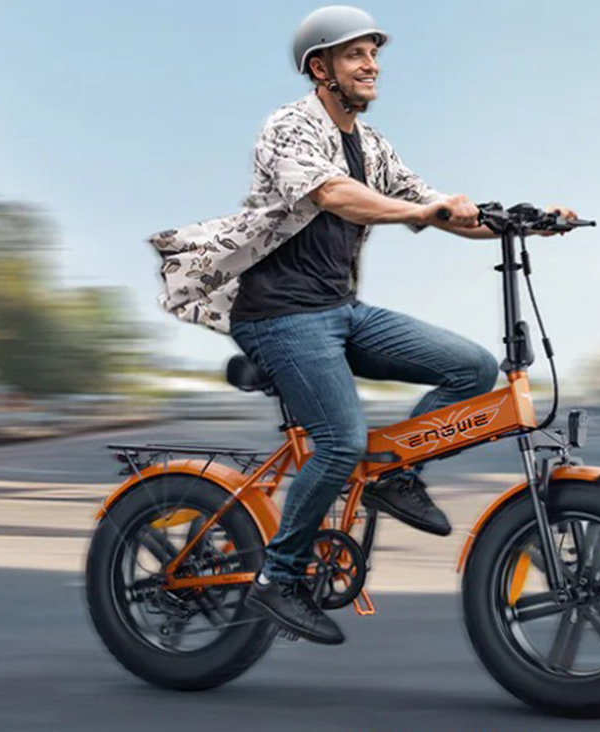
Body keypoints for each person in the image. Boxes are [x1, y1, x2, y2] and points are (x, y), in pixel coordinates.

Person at [149, 5, 576, 645]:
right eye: (355, 55)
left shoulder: (372, 145)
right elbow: (332, 195)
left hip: (340, 312)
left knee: (472, 368)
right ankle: (280, 579)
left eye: (374, 53)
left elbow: (433, 208)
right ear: (320, 70)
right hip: (279, 315)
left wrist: (526, 221)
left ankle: (397, 477)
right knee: (342, 442)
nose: (371, 64)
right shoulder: (289, 127)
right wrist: (422, 208)